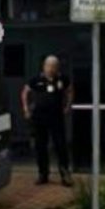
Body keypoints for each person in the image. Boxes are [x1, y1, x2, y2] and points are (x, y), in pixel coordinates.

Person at [22, 55, 73, 186]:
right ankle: (43, 174)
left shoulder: (62, 79)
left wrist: (67, 106)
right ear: (44, 66)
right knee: (40, 146)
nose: (51, 69)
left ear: (57, 67)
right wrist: (26, 109)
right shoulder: (36, 79)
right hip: (39, 117)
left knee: (60, 145)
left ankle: (65, 174)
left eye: (54, 66)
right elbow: (25, 92)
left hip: (56, 117)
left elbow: (70, 90)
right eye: (49, 66)